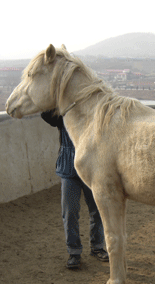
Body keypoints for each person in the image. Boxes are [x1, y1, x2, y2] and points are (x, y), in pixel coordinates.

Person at [41, 109, 109, 269]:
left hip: (91, 170)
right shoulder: (62, 115)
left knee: (97, 211)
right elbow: (45, 113)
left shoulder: (93, 114)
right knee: (70, 213)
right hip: (69, 171)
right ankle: (74, 252)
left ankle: (97, 247)